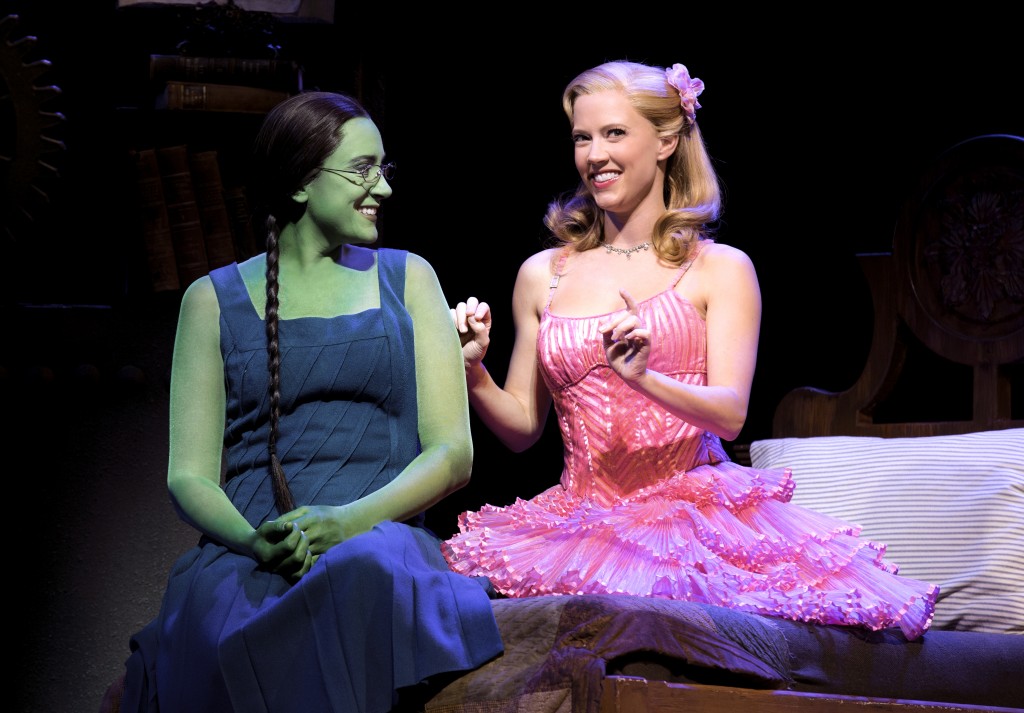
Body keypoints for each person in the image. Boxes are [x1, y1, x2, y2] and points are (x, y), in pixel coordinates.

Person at [442, 60, 938, 641]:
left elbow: (730, 416)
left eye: (614, 133)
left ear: (667, 140)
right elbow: (524, 428)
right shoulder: (542, 273)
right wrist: (473, 368)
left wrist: (644, 377)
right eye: (582, 137)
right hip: (580, 516)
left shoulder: (718, 269)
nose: (594, 154)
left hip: (686, 514)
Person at [114, 91, 503, 713]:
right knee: (218, 623)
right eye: (361, 169)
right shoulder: (211, 301)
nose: (384, 189)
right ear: (300, 183)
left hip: (380, 537)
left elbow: (453, 454)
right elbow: (188, 476)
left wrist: (349, 524)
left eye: (385, 169)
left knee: (363, 577)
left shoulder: (409, 278)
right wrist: (252, 541)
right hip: (251, 551)